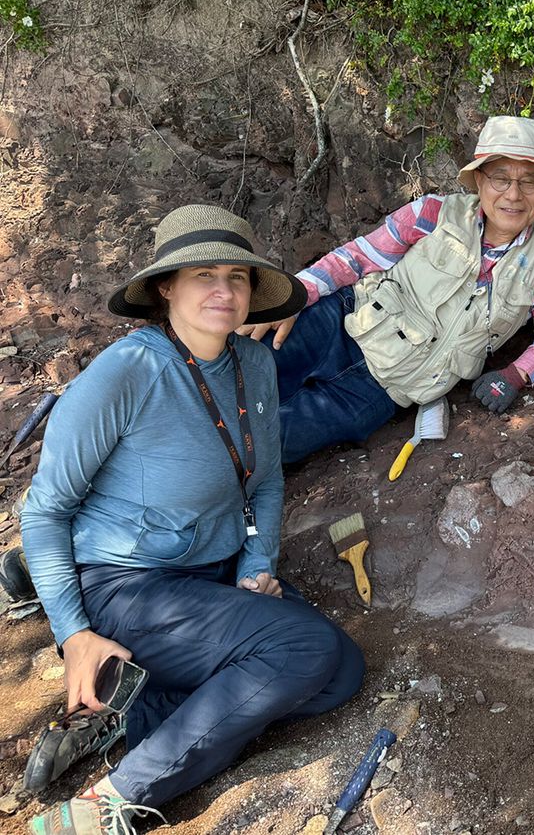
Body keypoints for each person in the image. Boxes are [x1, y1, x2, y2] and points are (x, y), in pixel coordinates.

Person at [21, 205, 365, 835]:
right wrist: (73, 635)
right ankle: (113, 802)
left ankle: (136, 708)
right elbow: (45, 510)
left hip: (212, 574)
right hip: (125, 584)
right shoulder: (128, 372)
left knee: (340, 674)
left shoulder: (253, 364)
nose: (223, 290)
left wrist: (256, 567)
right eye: (203, 274)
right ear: (165, 287)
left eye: (237, 276)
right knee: (304, 648)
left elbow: (265, 480)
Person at [238, 115, 534, 465]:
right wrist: (293, 298)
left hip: (379, 393)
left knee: (264, 445)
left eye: (529, 181)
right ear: (479, 179)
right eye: (501, 178)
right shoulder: (433, 212)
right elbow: (358, 257)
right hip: (340, 324)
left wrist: (517, 374)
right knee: (235, 377)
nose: (513, 194)